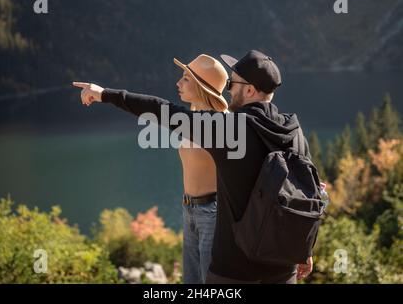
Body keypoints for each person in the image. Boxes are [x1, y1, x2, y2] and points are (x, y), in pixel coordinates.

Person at [72, 49, 313, 283]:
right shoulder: (293, 130)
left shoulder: (229, 129)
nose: (228, 90)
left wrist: (104, 94)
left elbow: (161, 111)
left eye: (233, 85)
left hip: (235, 269)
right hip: (281, 267)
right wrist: (305, 248)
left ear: (249, 90)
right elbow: (308, 190)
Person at [76, 54, 229, 284]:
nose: (178, 83)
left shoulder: (217, 124)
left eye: (186, 79)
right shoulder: (195, 117)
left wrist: (103, 94)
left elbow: (155, 108)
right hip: (190, 210)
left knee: (213, 285)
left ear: (202, 87)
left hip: (212, 215)